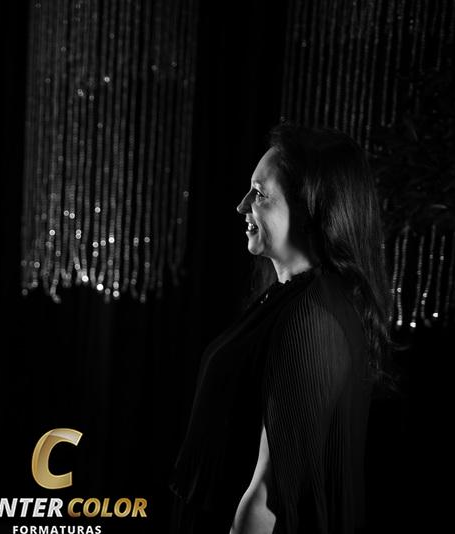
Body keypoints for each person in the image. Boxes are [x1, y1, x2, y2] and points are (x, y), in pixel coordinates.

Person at [170, 123, 391, 534]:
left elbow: (269, 499)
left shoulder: (312, 319)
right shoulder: (289, 299)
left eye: (260, 194)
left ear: (310, 211)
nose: (242, 206)